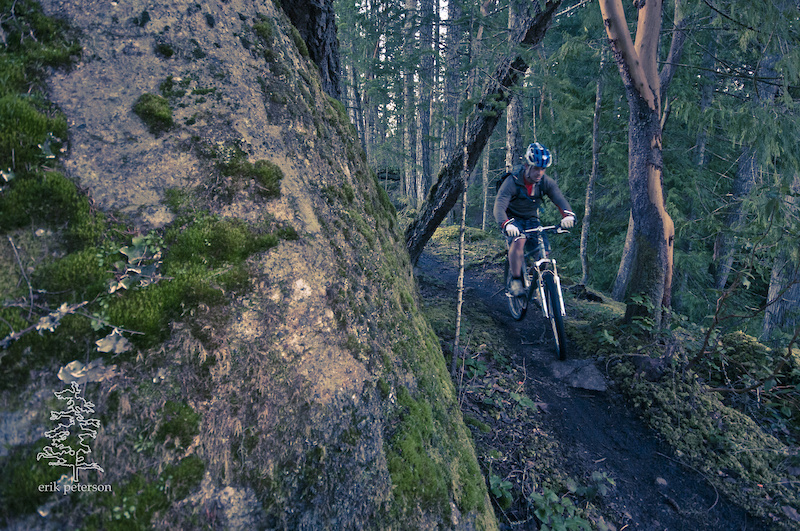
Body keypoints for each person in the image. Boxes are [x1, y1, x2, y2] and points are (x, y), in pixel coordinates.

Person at [493, 142, 576, 296]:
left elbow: (559, 199)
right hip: (512, 219)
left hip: (531, 219)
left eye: (542, 169)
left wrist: (568, 215)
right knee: (519, 242)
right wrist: (506, 224)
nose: (539, 172)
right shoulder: (512, 181)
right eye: (536, 168)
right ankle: (516, 280)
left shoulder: (545, 182)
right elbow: (499, 205)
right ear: (527, 166)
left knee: (543, 253)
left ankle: (534, 280)